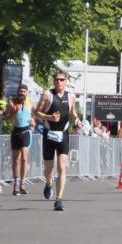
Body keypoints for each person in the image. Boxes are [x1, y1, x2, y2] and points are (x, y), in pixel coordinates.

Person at [34, 71, 82, 211]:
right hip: (49, 135)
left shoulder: (71, 96)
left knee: (62, 166)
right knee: (49, 169)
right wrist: (49, 118)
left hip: (63, 135)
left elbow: (72, 112)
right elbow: (36, 112)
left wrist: (77, 119)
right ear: (54, 81)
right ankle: (49, 183)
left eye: (62, 80)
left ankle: (59, 199)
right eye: (57, 80)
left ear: (66, 81)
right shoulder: (47, 95)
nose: (59, 82)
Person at [5, 83, 35, 195]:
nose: (22, 93)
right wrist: (13, 110)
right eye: (20, 91)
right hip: (15, 132)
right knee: (16, 159)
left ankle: (23, 183)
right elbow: (6, 116)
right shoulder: (12, 102)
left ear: (27, 93)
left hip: (26, 131)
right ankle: (16, 184)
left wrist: (34, 121)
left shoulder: (30, 102)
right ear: (18, 92)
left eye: (24, 91)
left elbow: (36, 113)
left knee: (24, 157)